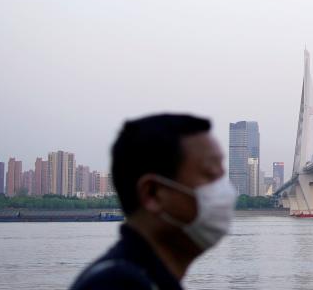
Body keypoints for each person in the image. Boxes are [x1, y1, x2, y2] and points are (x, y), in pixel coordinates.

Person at [70, 114, 237, 290]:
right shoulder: (117, 285)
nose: (225, 191)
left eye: (221, 176)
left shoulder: (147, 278)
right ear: (153, 194)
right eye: (210, 174)